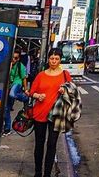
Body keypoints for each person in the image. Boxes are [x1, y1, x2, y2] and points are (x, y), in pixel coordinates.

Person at [29, 48, 72, 177]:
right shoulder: (41, 75)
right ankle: (38, 172)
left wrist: (65, 91)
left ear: (60, 60)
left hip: (56, 114)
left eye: (56, 59)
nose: (54, 61)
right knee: (39, 144)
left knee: (52, 144)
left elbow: (71, 91)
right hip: (39, 113)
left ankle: (47, 173)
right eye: (52, 58)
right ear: (48, 59)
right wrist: (37, 96)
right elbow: (31, 91)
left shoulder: (65, 74)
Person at [3, 48, 29, 135]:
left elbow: (24, 78)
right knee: (6, 108)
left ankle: (25, 98)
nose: (13, 60)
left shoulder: (20, 66)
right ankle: (7, 128)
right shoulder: (7, 65)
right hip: (9, 86)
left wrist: (25, 90)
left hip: (17, 83)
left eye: (15, 58)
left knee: (12, 94)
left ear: (18, 59)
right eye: (12, 58)